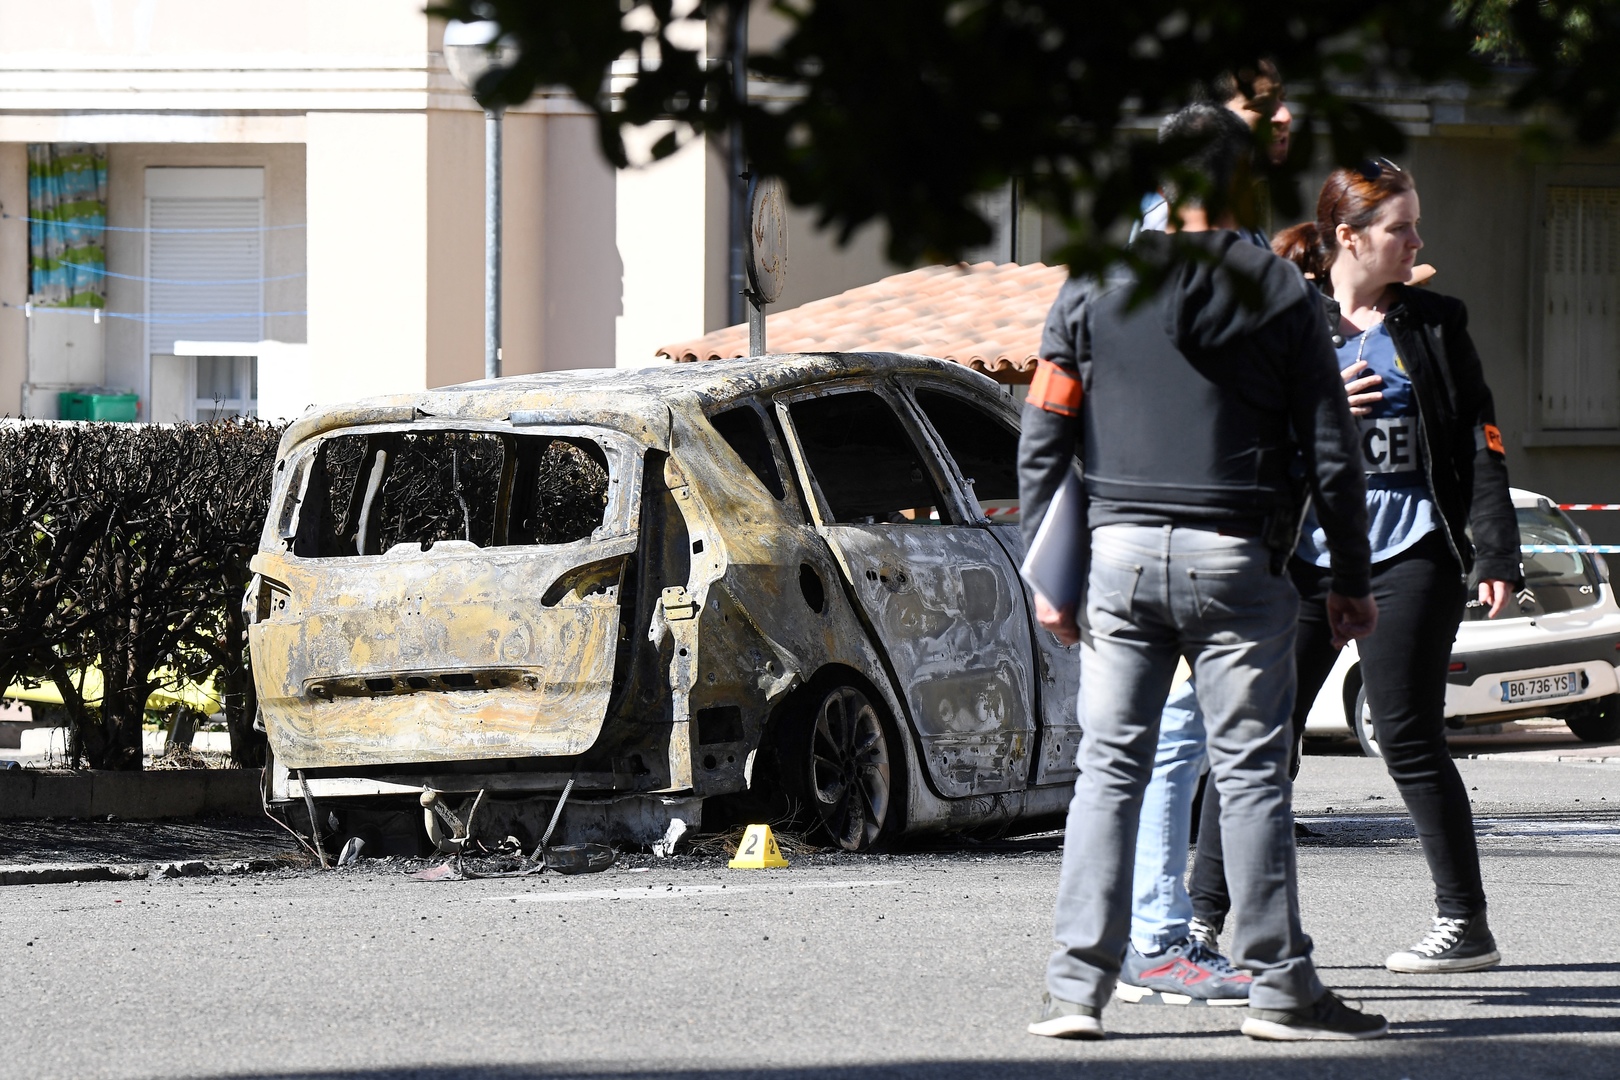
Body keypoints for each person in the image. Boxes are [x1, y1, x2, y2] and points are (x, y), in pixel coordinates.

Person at [1019, 102, 1386, 1042]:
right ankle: (1280, 992)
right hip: (1237, 558)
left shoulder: (1094, 282)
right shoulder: (1278, 287)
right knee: (1251, 774)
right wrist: (1351, 574)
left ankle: (1075, 992)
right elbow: (1330, 445)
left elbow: (1045, 427)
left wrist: (1046, 572)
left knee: (1108, 772)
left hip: (1119, 557)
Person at [1183, 159, 1521, 975]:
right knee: (1255, 737)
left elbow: (1479, 442)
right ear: (1350, 236)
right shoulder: (1286, 318)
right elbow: (1236, 426)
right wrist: (1321, 399)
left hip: (1409, 551)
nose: (1417, 242)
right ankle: (1198, 924)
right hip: (1301, 555)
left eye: (1416, 226)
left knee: (1407, 735)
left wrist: (1496, 549)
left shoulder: (1435, 323)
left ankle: (1465, 924)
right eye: (1401, 228)